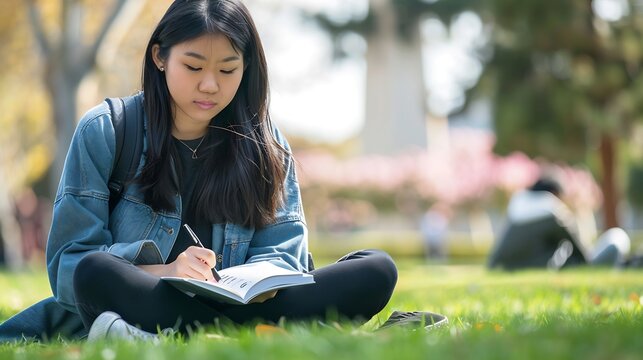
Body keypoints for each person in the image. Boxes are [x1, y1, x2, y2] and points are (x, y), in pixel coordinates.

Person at [1, 0, 397, 342]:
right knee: (95, 271)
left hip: (243, 305)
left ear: (247, 68)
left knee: (376, 269)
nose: (210, 85)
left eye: (228, 70)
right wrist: (168, 270)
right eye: (193, 67)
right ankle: (246, 330)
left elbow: (285, 256)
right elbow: (70, 267)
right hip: (149, 295)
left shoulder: (265, 142)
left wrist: (250, 284)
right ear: (159, 57)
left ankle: (176, 332)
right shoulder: (107, 130)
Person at [488, 176, 631, 270]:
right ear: (554, 193)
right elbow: (582, 254)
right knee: (617, 238)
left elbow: (494, 260)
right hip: (552, 267)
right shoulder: (552, 212)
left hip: (514, 267)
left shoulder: (516, 210)